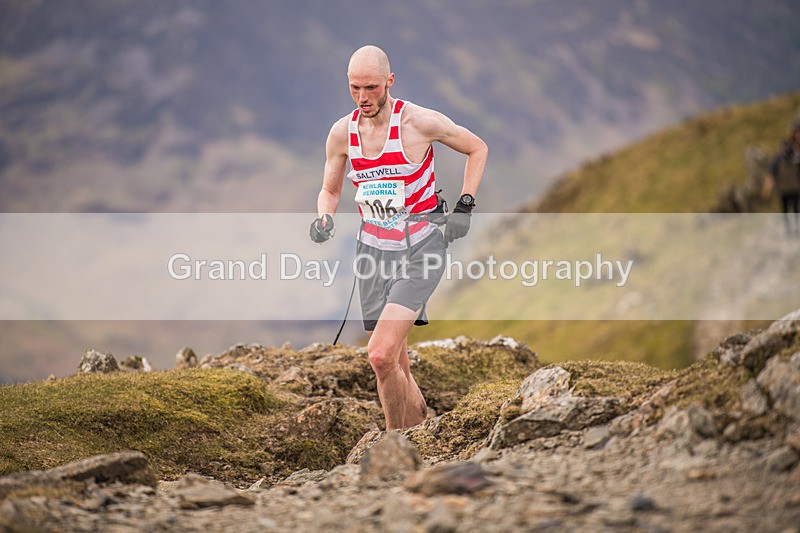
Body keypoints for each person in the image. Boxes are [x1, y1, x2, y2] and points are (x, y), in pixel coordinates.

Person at [309, 45, 488, 430]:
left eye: (371, 87)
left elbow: (477, 148)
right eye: (354, 88)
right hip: (372, 255)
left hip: (421, 249)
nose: (363, 98)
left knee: (379, 355)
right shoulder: (342, 133)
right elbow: (330, 189)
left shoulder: (419, 123)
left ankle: (393, 447)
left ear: (390, 81)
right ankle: (419, 428)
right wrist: (324, 217)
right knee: (395, 364)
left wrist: (465, 206)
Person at [766, 124, 800, 235]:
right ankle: (789, 229)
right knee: (786, 210)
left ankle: (795, 227)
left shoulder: (795, 157)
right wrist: (770, 185)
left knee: (795, 209)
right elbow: (771, 172)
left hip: (794, 188)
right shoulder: (778, 159)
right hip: (784, 189)